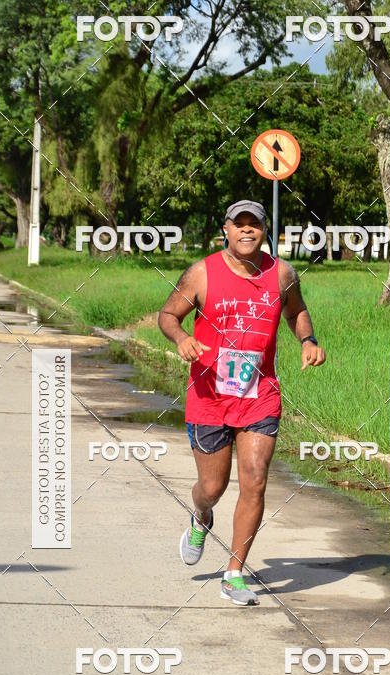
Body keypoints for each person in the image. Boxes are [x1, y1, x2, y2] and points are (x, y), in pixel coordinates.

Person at [158, 200, 326, 606]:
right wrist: (182, 339)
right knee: (212, 488)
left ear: (265, 230)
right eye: (240, 225)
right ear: (226, 230)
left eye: (255, 225)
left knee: (255, 479)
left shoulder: (281, 273)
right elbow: (167, 315)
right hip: (210, 396)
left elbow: (297, 310)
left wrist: (307, 340)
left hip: (260, 395)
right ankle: (200, 516)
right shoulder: (202, 272)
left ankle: (234, 573)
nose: (247, 231)